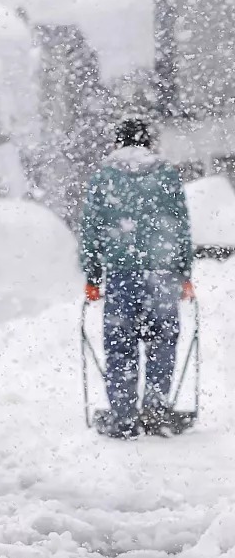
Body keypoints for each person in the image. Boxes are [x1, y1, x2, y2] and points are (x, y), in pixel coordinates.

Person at [79, 118, 195, 439]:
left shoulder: (104, 178)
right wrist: (184, 273)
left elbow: (92, 229)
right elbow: (180, 227)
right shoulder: (167, 176)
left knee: (120, 346)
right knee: (161, 344)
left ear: (119, 143)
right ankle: (156, 412)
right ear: (149, 143)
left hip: (121, 276)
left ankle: (124, 417)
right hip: (162, 275)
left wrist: (92, 275)